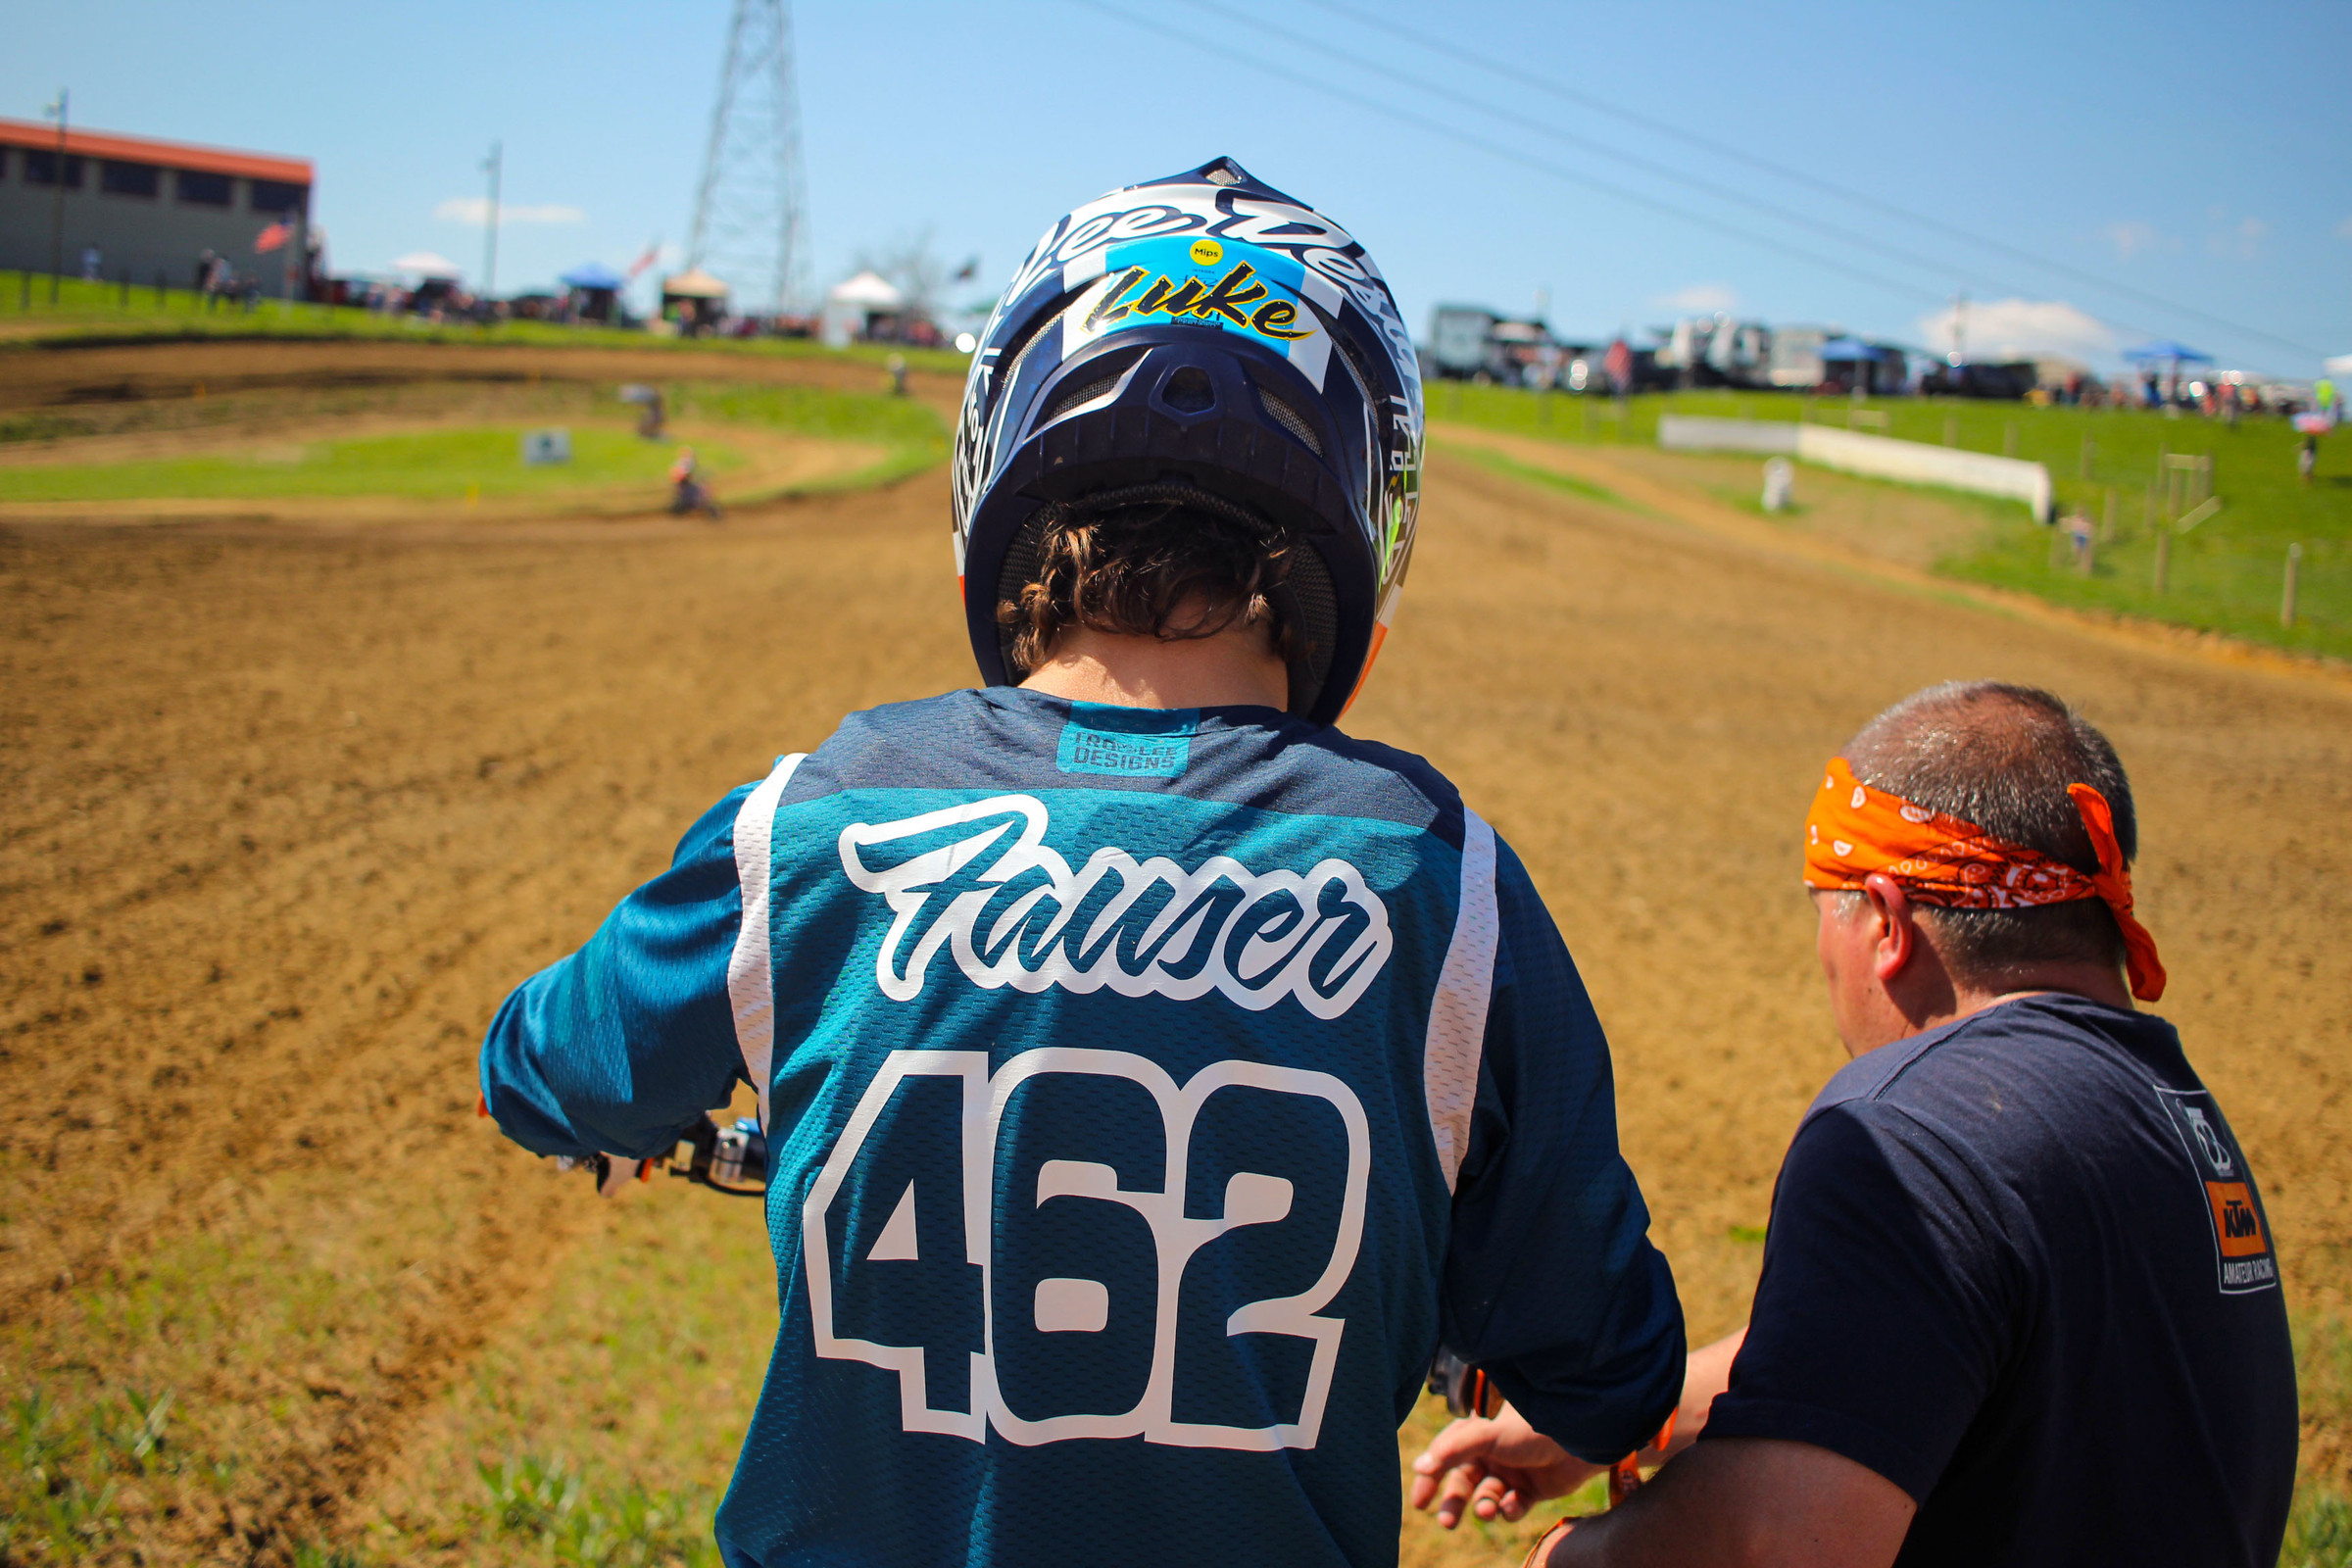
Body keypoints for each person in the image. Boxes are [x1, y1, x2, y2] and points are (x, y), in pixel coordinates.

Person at [478, 158, 1685, 1568]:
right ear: (1365, 492)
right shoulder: (1440, 880)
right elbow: (1610, 1359)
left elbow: (545, 1071)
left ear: (1010, 436)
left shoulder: (814, 825)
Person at [1414, 682, 2297, 1568]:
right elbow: (1896, 1341)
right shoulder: (2168, 1117)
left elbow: (1782, 1543)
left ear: (1885, 920)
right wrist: (1627, 1427)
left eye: (1823, 907)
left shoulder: (1910, 1129)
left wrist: (1573, 1560)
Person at [667, 444, 719, 518]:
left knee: (700, 492)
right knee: (701, 493)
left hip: (684, 485)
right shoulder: (685, 463)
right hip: (685, 485)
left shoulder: (680, 463)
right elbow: (682, 475)